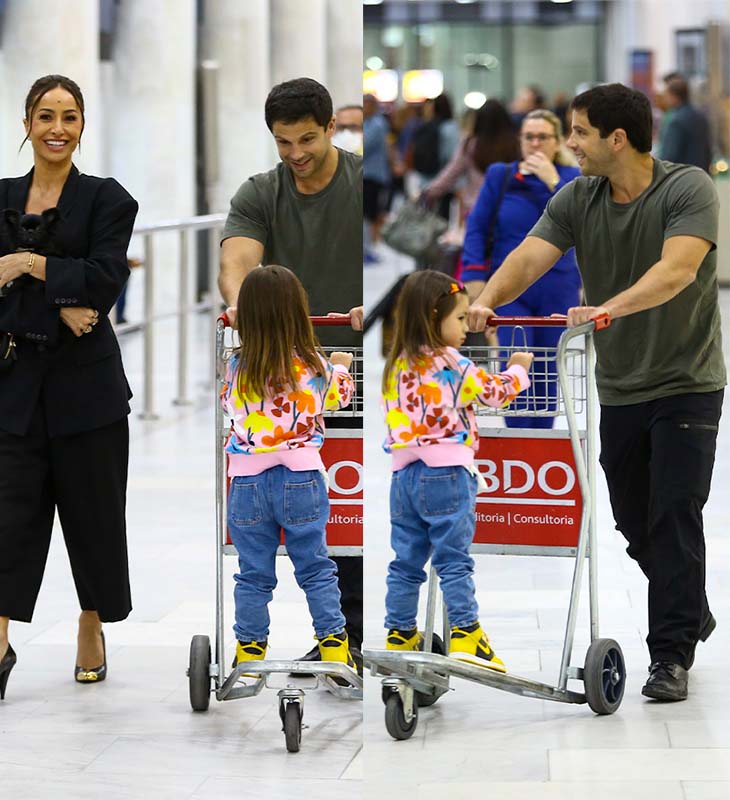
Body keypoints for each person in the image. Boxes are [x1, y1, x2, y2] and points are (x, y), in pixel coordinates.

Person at [469, 83, 724, 701]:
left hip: (687, 380)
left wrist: (607, 309)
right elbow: (530, 256)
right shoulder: (578, 196)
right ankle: (689, 604)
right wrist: (485, 301)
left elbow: (677, 270)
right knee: (633, 519)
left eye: (580, 132)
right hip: (620, 384)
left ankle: (670, 655)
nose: (572, 144)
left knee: (674, 512)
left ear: (617, 138)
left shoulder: (686, 188)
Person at [0, 74, 138, 696]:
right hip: (12, 388)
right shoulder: (1, 196)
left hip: (88, 392)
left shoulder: (108, 199)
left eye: (70, 116)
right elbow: (79, 292)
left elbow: (105, 280)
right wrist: (62, 299)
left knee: (93, 516)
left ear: (82, 125)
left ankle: (91, 624)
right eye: (46, 115)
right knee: (7, 518)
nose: (57, 128)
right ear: (27, 123)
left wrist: (26, 265)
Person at [218, 77, 363, 666]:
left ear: (331, 128)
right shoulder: (259, 193)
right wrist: (246, 311)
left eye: (307, 139)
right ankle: (340, 637)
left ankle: (354, 631)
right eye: (283, 142)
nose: (295, 153)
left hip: (356, 363)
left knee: (358, 514)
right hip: (291, 370)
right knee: (321, 536)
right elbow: (237, 261)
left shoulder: (361, 182)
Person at [381, 271, 533, 670]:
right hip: (448, 474)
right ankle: (466, 633)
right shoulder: (452, 362)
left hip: (403, 477)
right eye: (461, 319)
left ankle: (399, 633)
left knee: (405, 562)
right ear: (435, 317)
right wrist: (518, 369)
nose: (467, 329)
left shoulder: (396, 364)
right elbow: (494, 393)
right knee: (453, 560)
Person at [220, 265, 356, 674]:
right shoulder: (313, 366)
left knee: (253, 573)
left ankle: (250, 650)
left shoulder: (237, 366)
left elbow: (228, 404)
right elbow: (339, 397)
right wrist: (341, 365)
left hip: (247, 481)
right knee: (315, 567)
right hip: (301, 479)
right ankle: (334, 646)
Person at [462, 109, 581, 428]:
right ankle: (516, 436)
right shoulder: (501, 175)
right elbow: (477, 227)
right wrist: (474, 277)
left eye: (543, 137)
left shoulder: (573, 180)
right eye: (529, 137)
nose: (535, 144)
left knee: (547, 369)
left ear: (557, 142)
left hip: (558, 286)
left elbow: (584, 220)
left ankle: (540, 441)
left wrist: (552, 180)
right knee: (515, 361)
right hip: (511, 288)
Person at [424, 98, 519, 222]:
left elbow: (451, 173)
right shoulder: (515, 144)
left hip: (475, 208)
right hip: (508, 207)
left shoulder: (470, 145)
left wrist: (429, 191)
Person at [658, 73, 712, 173]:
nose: (665, 99)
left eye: (667, 95)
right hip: (702, 174)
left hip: (684, 177)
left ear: (675, 97)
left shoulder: (676, 121)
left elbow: (668, 157)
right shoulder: (701, 117)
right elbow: (708, 151)